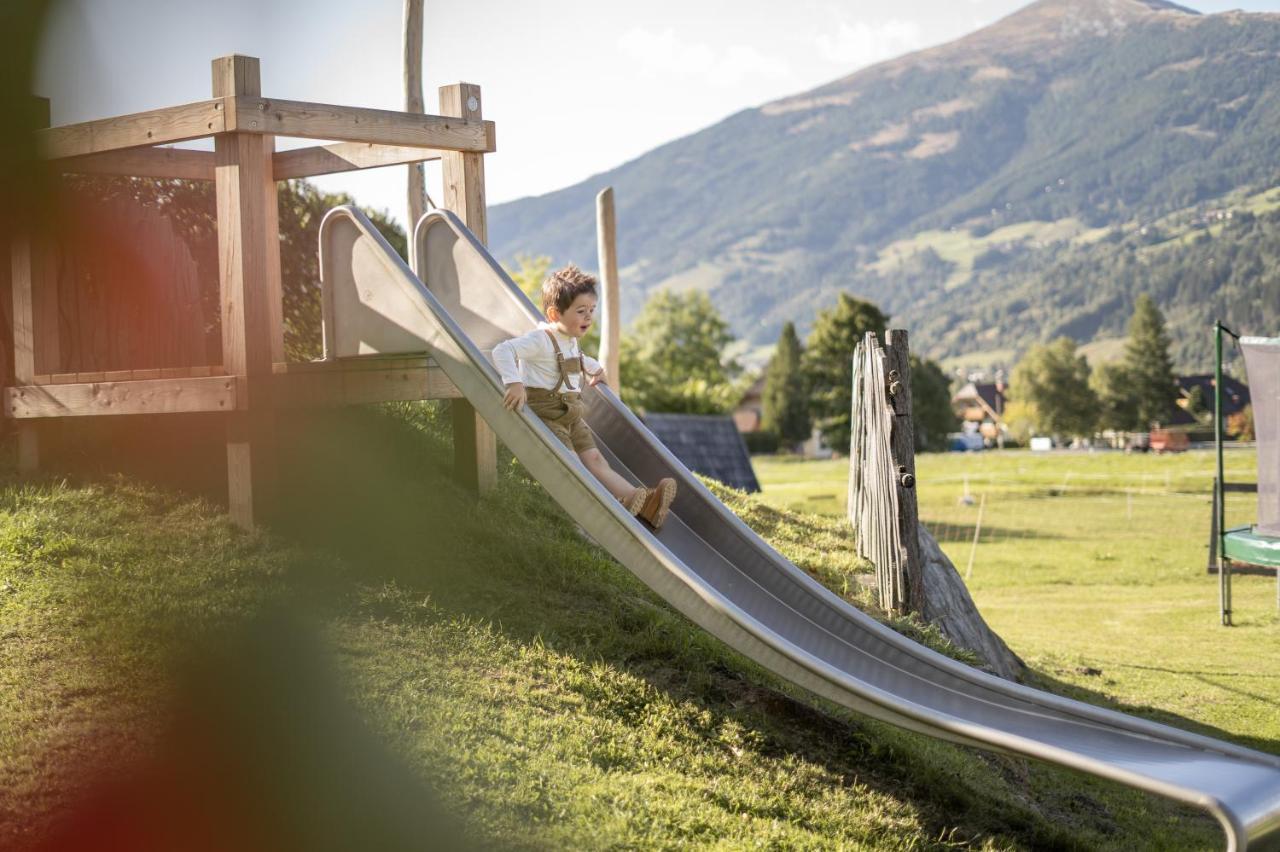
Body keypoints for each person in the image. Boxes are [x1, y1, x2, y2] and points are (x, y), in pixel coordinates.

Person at [493, 264, 677, 530]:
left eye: (591, 310)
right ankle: (602, 512)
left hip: (572, 413)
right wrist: (514, 383)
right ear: (555, 313)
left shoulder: (569, 338)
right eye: (581, 311)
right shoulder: (540, 340)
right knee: (572, 465)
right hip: (547, 415)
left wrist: (593, 368)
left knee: (595, 460)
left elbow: (576, 358)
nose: (589, 317)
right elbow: (503, 351)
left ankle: (639, 500)